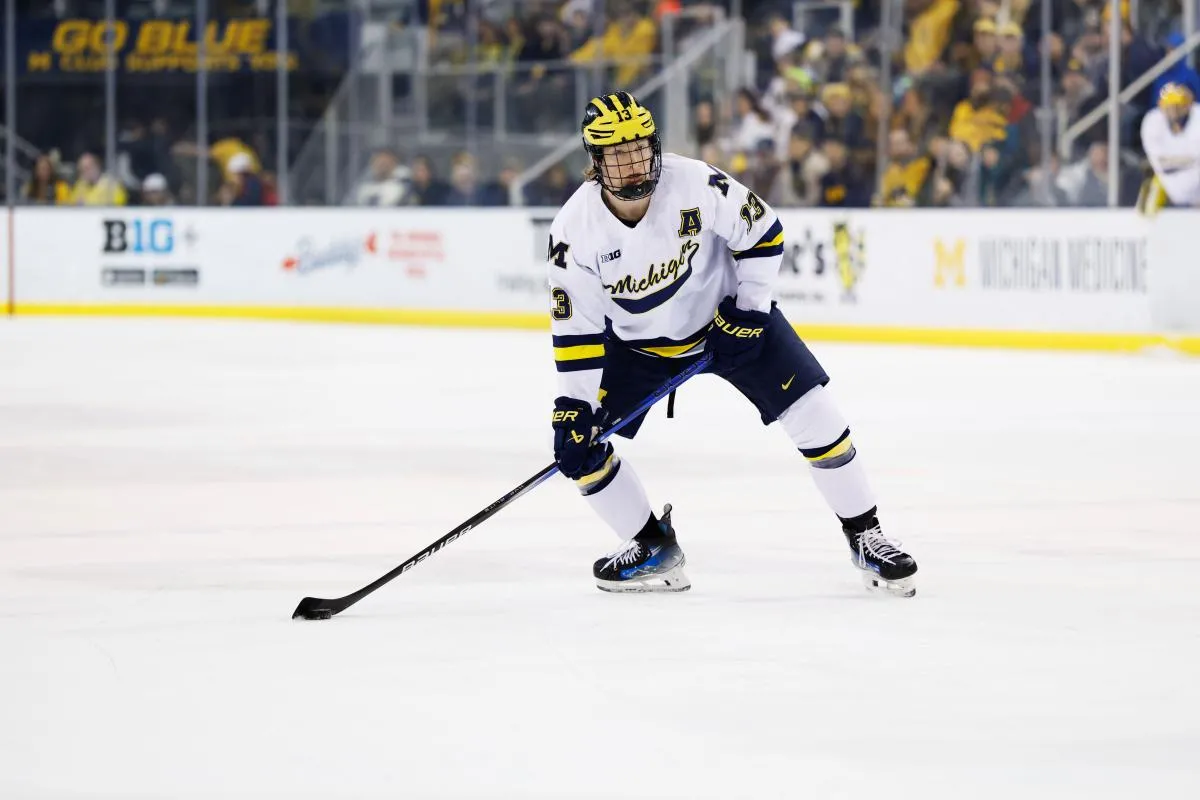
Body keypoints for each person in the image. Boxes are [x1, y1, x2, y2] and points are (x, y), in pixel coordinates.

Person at [545, 91, 918, 597]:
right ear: (595, 162)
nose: (633, 164)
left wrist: (749, 310)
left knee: (814, 410)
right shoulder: (573, 231)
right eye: (617, 154)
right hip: (640, 349)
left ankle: (866, 534)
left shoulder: (695, 181)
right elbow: (578, 332)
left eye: (639, 149)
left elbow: (764, 233)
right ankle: (651, 545)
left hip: (728, 321)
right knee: (579, 449)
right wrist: (573, 407)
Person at [1138, 82, 1200, 214]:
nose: (1173, 111)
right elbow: (1159, 163)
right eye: (1169, 107)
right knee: (1148, 194)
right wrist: (1190, 161)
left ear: (1188, 105)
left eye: (1178, 106)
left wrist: (1174, 162)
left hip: (1197, 188)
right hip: (1168, 187)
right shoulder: (1152, 121)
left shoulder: (1198, 117)